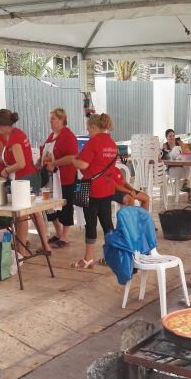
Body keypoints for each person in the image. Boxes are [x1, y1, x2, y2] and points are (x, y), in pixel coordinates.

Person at [52, 113, 118, 269]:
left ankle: (88, 258)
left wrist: (73, 160)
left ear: (94, 127)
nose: (88, 132)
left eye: (88, 129)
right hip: (108, 187)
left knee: (91, 223)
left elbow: (82, 164)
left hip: (93, 189)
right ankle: (112, 256)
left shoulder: (94, 141)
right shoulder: (112, 142)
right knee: (107, 223)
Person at [0, 109, 47, 255]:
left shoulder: (14, 139)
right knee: (34, 213)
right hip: (29, 176)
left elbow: (21, 163)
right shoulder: (18, 134)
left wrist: (6, 170)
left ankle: (21, 252)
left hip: (23, 179)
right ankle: (42, 245)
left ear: (3, 125)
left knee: (22, 216)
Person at [40, 108, 78, 249]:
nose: (50, 121)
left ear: (62, 120)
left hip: (65, 177)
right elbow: (45, 153)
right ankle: (58, 231)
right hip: (50, 178)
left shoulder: (68, 136)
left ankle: (65, 236)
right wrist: (39, 162)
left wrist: (54, 163)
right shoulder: (51, 136)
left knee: (65, 206)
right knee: (49, 206)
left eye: (53, 119)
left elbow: (72, 157)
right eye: (50, 119)